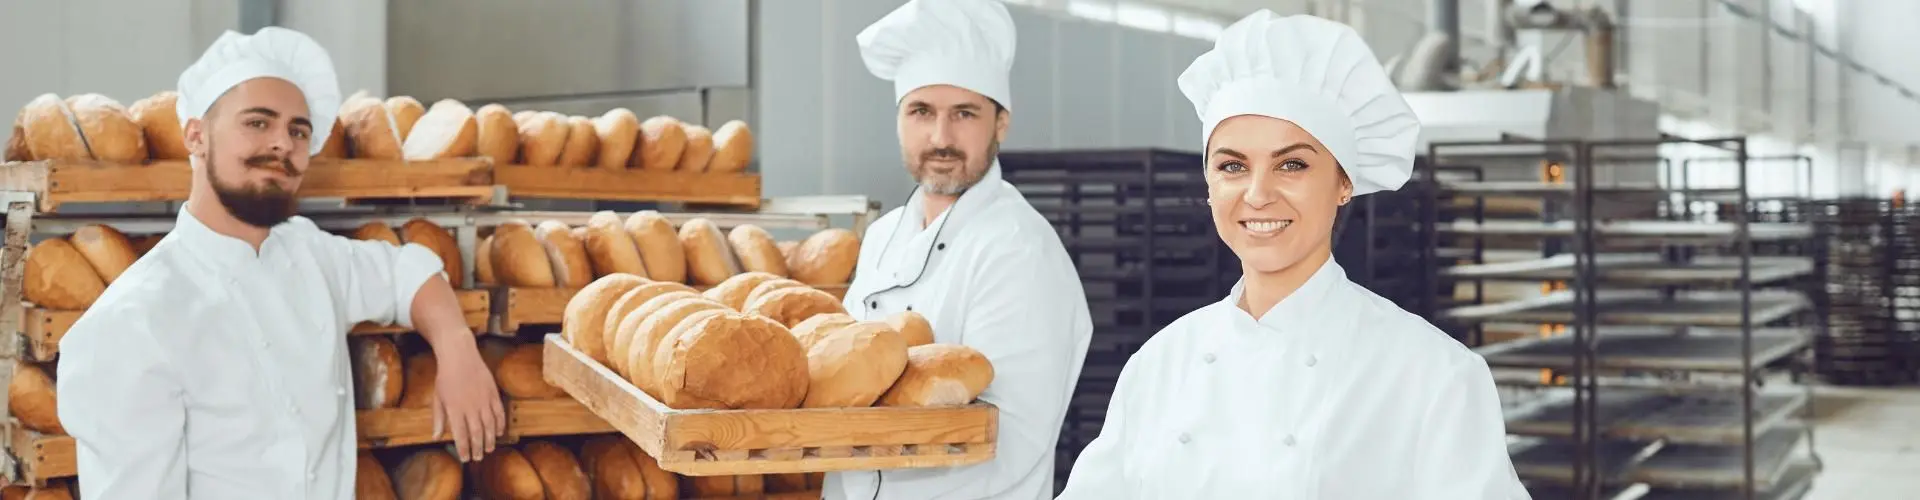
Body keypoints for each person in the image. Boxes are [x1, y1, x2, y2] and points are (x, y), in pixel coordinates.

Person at [1055, 11, 1528, 499]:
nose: (1258, 194)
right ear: (1209, 183)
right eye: (1233, 165)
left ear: (1345, 183)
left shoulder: (1432, 374)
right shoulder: (1160, 363)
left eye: (1292, 165)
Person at [55, 27, 505, 499]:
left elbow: (407, 273)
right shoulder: (130, 325)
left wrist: (457, 349)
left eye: (298, 131)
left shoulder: (310, 253)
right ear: (196, 136)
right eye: (257, 122)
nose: (283, 145)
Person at [828, 0, 1094, 498]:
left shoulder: (1018, 250)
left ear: (1000, 125)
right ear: (900, 120)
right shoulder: (884, 236)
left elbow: (1009, 444)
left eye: (964, 114)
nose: (940, 137)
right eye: (921, 111)